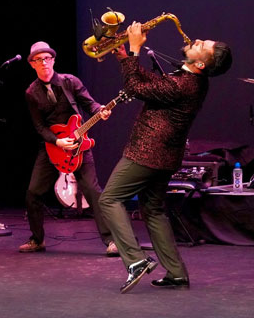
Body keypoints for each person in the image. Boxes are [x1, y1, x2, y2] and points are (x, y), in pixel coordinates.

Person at [99, 22, 232, 294]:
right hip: (164, 155)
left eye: (202, 46)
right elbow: (156, 85)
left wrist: (135, 49)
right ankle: (176, 273)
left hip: (148, 152)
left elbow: (136, 87)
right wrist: (126, 57)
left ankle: (135, 261)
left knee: (109, 199)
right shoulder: (190, 81)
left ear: (202, 65)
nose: (196, 40)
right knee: (154, 210)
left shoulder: (186, 84)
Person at [18, 41, 118, 256]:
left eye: (47, 58)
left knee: (93, 191)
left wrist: (100, 110)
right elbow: (39, 126)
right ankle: (37, 239)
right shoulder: (31, 93)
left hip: (79, 143)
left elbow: (89, 103)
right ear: (32, 64)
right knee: (32, 193)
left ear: (53, 60)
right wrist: (57, 141)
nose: (43, 62)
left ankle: (111, 241)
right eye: (38, 60)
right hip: (53, 146)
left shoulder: (69, 81)